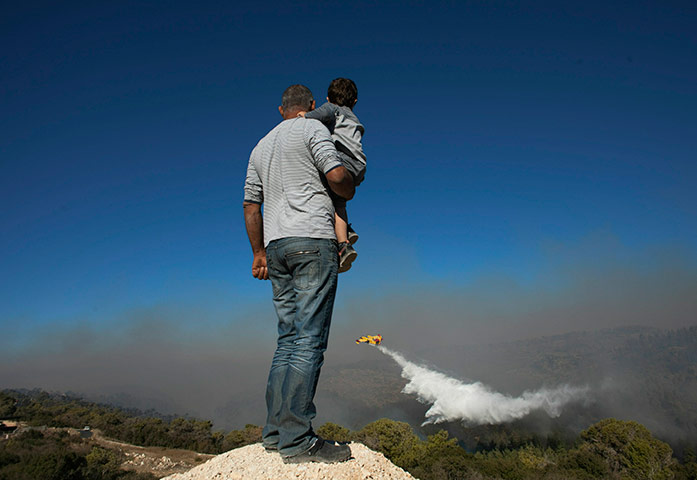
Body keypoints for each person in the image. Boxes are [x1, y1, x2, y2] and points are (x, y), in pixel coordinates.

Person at [243, 84, 354, 463]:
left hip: (276, 247)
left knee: (287, 341)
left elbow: (250, 206)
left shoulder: (259, 147)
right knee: (308, 342)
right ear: (309, 106)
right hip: (312, 239)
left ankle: (275, 433)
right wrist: (348, 186)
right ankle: (296, 439)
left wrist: (259, 252)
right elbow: (337, 173)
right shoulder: (312, 129)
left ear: (279, 109)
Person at [304, 78, 365, 273]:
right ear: (354, 101)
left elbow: (311, 117)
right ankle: (345, 236)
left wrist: (301, 115)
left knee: (321, 186)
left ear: (328, 98)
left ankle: (342, 240)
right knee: (339, 202)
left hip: (342, 160)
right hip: (358, 165)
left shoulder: (332, 108)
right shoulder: (353, 117)